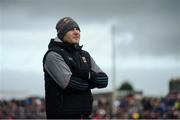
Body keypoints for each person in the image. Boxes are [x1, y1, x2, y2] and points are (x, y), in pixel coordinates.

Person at [43, 17, 108, 119]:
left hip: (85, 115)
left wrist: (88, 75)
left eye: (77, 29)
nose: (76, 32)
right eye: (70, 29)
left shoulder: (85, 55)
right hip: (63, 116)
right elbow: (70, 84)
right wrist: (92, 80)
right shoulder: (53, 55)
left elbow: (104, 80)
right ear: (61, 33)